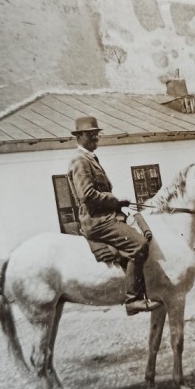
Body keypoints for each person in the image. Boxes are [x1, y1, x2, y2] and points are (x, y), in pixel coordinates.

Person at [68, 115, 162, 316]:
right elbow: (87, 194)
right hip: (96, 221)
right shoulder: (80, 160)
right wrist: (116, 200)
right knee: (139, 244)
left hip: (107, 215)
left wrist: (119, 204)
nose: (96, 137)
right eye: (91, 134)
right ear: (79, 136)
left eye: (97, 133)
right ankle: (133, 300)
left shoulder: (91, 158)